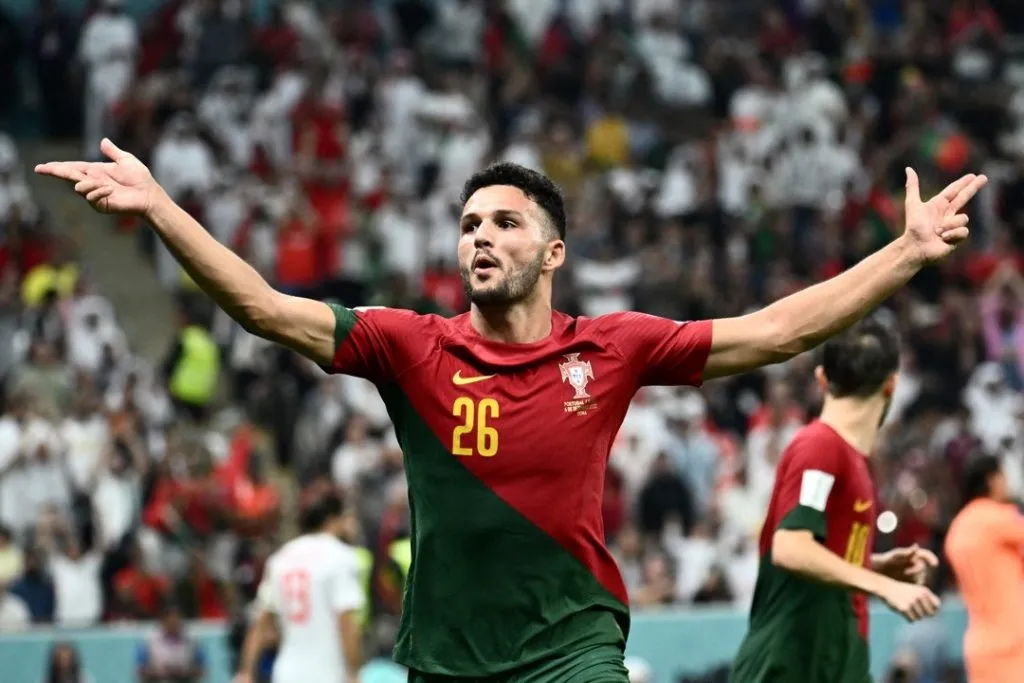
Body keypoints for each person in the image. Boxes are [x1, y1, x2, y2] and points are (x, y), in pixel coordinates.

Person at [37, 139, 985, 682]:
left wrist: (903, 256)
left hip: (573, 644)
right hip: (447, 656)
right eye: (468, 223)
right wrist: (161, 209)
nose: (479, 237)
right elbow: (261, 305)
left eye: (504, 221)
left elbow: (774, 331)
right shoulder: (411, 345)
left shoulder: (612, 348)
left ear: (553, 252)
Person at [730, 319, 943, 683]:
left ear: (822, 379)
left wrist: (873, 565)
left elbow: (816, 556)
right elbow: (791, 547)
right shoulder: (819, 448)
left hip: (835, 661)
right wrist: (883, 586)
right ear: (891, 386)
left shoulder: (848, 459)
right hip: (790, 665)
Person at [236, 491, 364, 683]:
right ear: (332, 520)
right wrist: (354, 672)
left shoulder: (281, 557)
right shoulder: (341, 557)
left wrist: (246, 672)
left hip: (287, 673)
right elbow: (346, 621)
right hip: (327, 672)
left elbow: (261, 622)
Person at [944, 455, 1024, 683]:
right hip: (1013, 642)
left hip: (979, 646)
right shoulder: (997, 518)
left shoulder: (957, 528)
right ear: (992, 480)